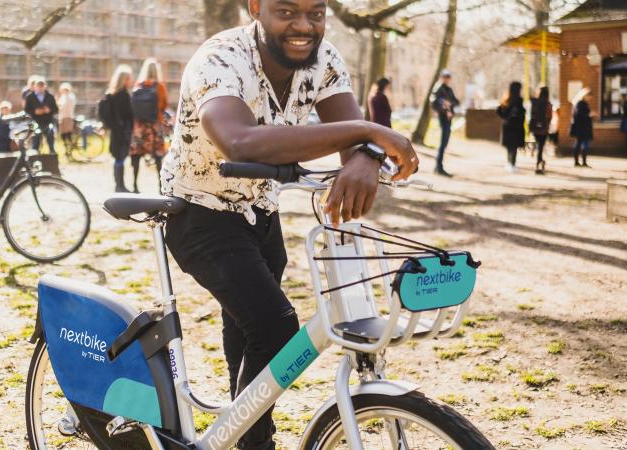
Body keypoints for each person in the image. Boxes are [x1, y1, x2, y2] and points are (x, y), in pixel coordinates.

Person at [159, 1, 418, 448]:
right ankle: (254, 443)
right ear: (256, 7)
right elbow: (240, 142)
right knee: (275, 328)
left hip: (261, 209)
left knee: (247, 330)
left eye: (316, 13)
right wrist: (369, 134)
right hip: (197, 211)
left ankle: (239, 434)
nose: (304, 26)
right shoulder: (219, 59)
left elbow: (351, 133)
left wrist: (368, 153)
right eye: (286, 11)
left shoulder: (325, 58)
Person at [130, 58, 168, 193]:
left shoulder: (137, 85)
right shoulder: (160, 86)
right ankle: (160, 186)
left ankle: (134, 186)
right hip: (154, 125)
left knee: (136, 155)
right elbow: (164, 105)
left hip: (139, 127)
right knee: (158, 156)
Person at [106, 64, 134, 192]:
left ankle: (118, 184)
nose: (131, 81)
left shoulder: (111, 94)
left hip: (115, 131)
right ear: (124, 80)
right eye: (129, 78)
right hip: (123, 132)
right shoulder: (123, 95)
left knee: (118, 158)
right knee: (120, 159)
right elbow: (128, 114)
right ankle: (120, 186)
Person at [430, 69, 458, 176]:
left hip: (449, 118)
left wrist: (449, 104)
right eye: (445, 77)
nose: (447, 79)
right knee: (443, 143)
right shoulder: (438, 88)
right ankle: (438, 167)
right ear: (442, 77)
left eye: (448, 77)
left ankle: (439, 165)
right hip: (443, 118)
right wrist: (444, 109)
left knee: (445, 142)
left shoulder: (449, 89)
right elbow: (434, 102)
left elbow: (456, 101)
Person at [496, 81, 526, 173]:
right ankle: (512, 164)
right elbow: (521, 114)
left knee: (510, 147)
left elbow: (498, 111)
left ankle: (510, 163)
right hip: (516, 128)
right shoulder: (518, 101)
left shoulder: (507, 99)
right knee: (514, 147)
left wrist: (505, 118)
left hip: (508, 127)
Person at [24, 78, 58, 154]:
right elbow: (26, 111)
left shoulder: (50, 96)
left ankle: (52, 155)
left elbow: (56, 109)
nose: (40, 88)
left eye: (42, 86)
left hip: (48, 122)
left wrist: (49, 110)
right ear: (35, 86)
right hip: (35, 122)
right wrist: (35, 112)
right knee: (36, 140)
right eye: (38, 86)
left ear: (45, 86)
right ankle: (35, 155)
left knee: (50, 137)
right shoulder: (30, 97)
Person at [529, 85, 552, 175]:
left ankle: (539, 160)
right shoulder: (547, 104)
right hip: (543, 128)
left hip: (535, 128)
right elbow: (549, 116)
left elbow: (531, 115)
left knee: (539, 146)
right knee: (541, 147)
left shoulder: (534, 102)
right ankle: (539, 163)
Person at [570, 89, 595, 167]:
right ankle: (578, 162)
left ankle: (581, 162)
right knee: (582, 144)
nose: (590, 99)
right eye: (589, 96)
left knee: (580, 144)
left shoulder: (582, 104)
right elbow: (578, 116)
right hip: (582, 128)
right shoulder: (580, 104)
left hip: (582, 128)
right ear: (585, 96)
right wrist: (589, 115)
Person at [57, 82, 76, 150]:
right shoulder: (63, 97)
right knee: (63, 135)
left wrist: (59, 107)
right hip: (62, 118)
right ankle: (67, 148)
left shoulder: (70, 97)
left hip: (67, 118)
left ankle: (70, 148)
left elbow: (63, 107)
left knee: (67, 134)